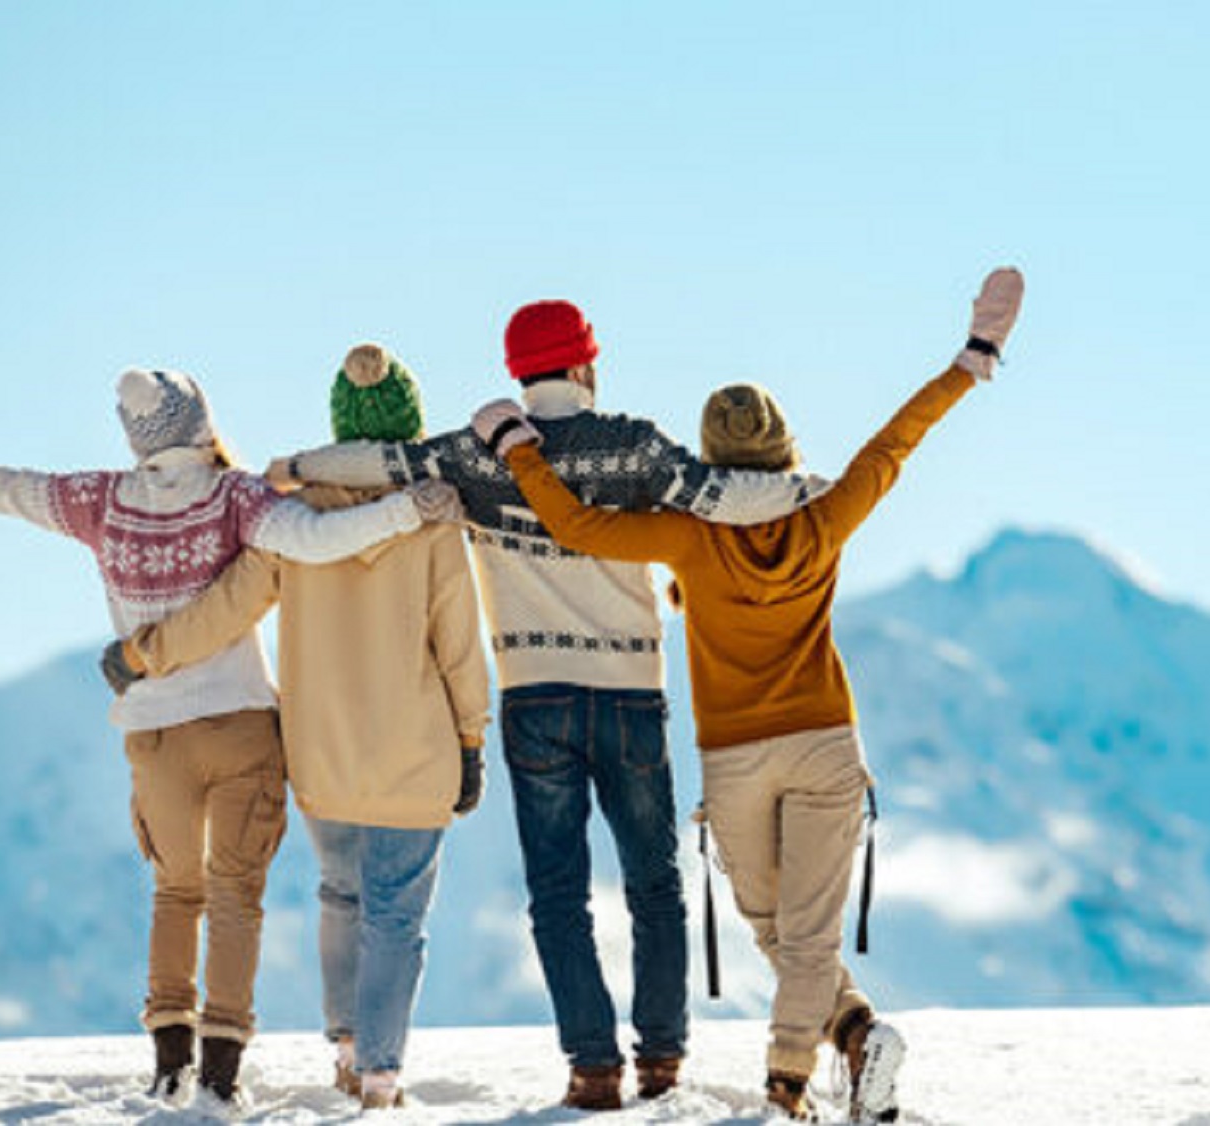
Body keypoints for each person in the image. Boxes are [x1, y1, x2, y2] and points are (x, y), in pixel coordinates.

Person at [0, 368, 461, 1107]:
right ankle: (220, 1076)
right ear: (201, 419)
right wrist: (408, 512)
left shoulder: (101, 501)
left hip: (154, 734)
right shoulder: (237, 497)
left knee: (176, 894)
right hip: (240, 724)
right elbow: (318, 538)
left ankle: (171, 1060)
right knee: (237, 897)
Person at [474, 267, 1025, 1121]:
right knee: (795, 935)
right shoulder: (826, 515)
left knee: (782, 931)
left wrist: (517, 449)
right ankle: (855, 1036)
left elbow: (577, 527)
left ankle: (788, 1087)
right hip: (826, 746)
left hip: (734, 761)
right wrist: (972, 357)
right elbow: (895, 443)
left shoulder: (688, 538)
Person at [264, 303, 823, 1110]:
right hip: (630, 694)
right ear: (587, 366)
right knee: (653, 884)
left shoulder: (472, 455)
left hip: (534, 697)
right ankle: (662, 1060)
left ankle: (592, 1067)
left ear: (520, 374)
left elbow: (378, 460)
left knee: (558, 895)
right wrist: (819, 489)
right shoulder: (632, 443)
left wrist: (289, 466)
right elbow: (722, 495)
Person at [101, 345, 489, 1110]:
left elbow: (226, 609)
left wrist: (145, 653)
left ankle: (347, 1052)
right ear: (406, 429)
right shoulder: (433, 519)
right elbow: (460, 648)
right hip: (414, 753)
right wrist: (472, 740)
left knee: (341, 895)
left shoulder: (294, 516)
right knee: (396, 916)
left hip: (319, 754)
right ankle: (380, 1075)